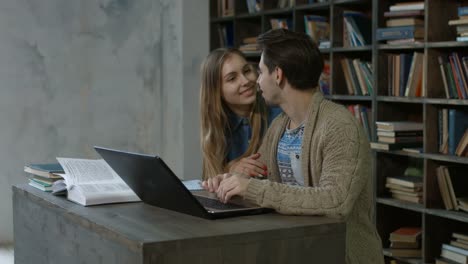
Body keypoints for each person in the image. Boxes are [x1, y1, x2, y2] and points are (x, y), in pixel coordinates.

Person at [202, 29, 384, 264]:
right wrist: (228, 179)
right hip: (297, 252)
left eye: (260, 72)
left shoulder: (339, 126)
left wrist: (251, 189)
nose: (256, 81)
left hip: (342, 256)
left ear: (278, 75)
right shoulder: (279, 126)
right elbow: (256, 172)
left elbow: (335, 202)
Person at [199, 48, 281, 180]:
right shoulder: (218, 126)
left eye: (247, 71)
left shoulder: (279, 115)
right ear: (216, 91)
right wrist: (231, 169)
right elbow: (212, 180)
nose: (245, 81)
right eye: (232, 78)